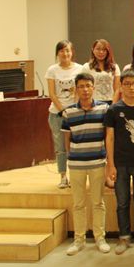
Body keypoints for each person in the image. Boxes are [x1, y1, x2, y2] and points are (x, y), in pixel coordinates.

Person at [104, 69, 134, 255]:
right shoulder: (114, 110)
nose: (131, 87)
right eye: (127, 84)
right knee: (122, 202)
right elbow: (109, 138)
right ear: (121, 86)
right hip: (121, 163)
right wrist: (110, 164)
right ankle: (124, 236)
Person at [62, 73, 110, 256]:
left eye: (88, 86)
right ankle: (79, 239)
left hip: (98, 162)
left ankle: (100, 238)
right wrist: (71, 156)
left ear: (93, 88)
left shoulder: (104, 109)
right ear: (76, 89)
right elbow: (66, 139)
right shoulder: (68, 112)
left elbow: (107, 136)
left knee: (98, 202)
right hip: (76, 164)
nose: (85, 90)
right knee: (78, 204)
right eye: (81, 86)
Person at [45, 40, 83, 188]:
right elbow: (52, 94)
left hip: (75, 113)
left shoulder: (80, 69)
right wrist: (63, 111)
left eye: (67, 50)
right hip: (57, 114)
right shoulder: (52, 70)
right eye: (61, 51)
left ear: (72, 52)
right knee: (60, 147)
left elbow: (80, 91)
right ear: (57, 53)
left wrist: (73, 109)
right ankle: (63, 176)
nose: (65, 53)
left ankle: (75, 176)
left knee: (75, 147)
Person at [81, 39, 120, 104]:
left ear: (108, 51)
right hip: (93, 102)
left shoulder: (114, 67)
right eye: (98, 49)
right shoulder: (86, 67)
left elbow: (117, 89)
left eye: (104, 50)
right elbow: (82, 87)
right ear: (93, 50)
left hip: (110, 101)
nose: (101, 52)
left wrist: (113, 104)